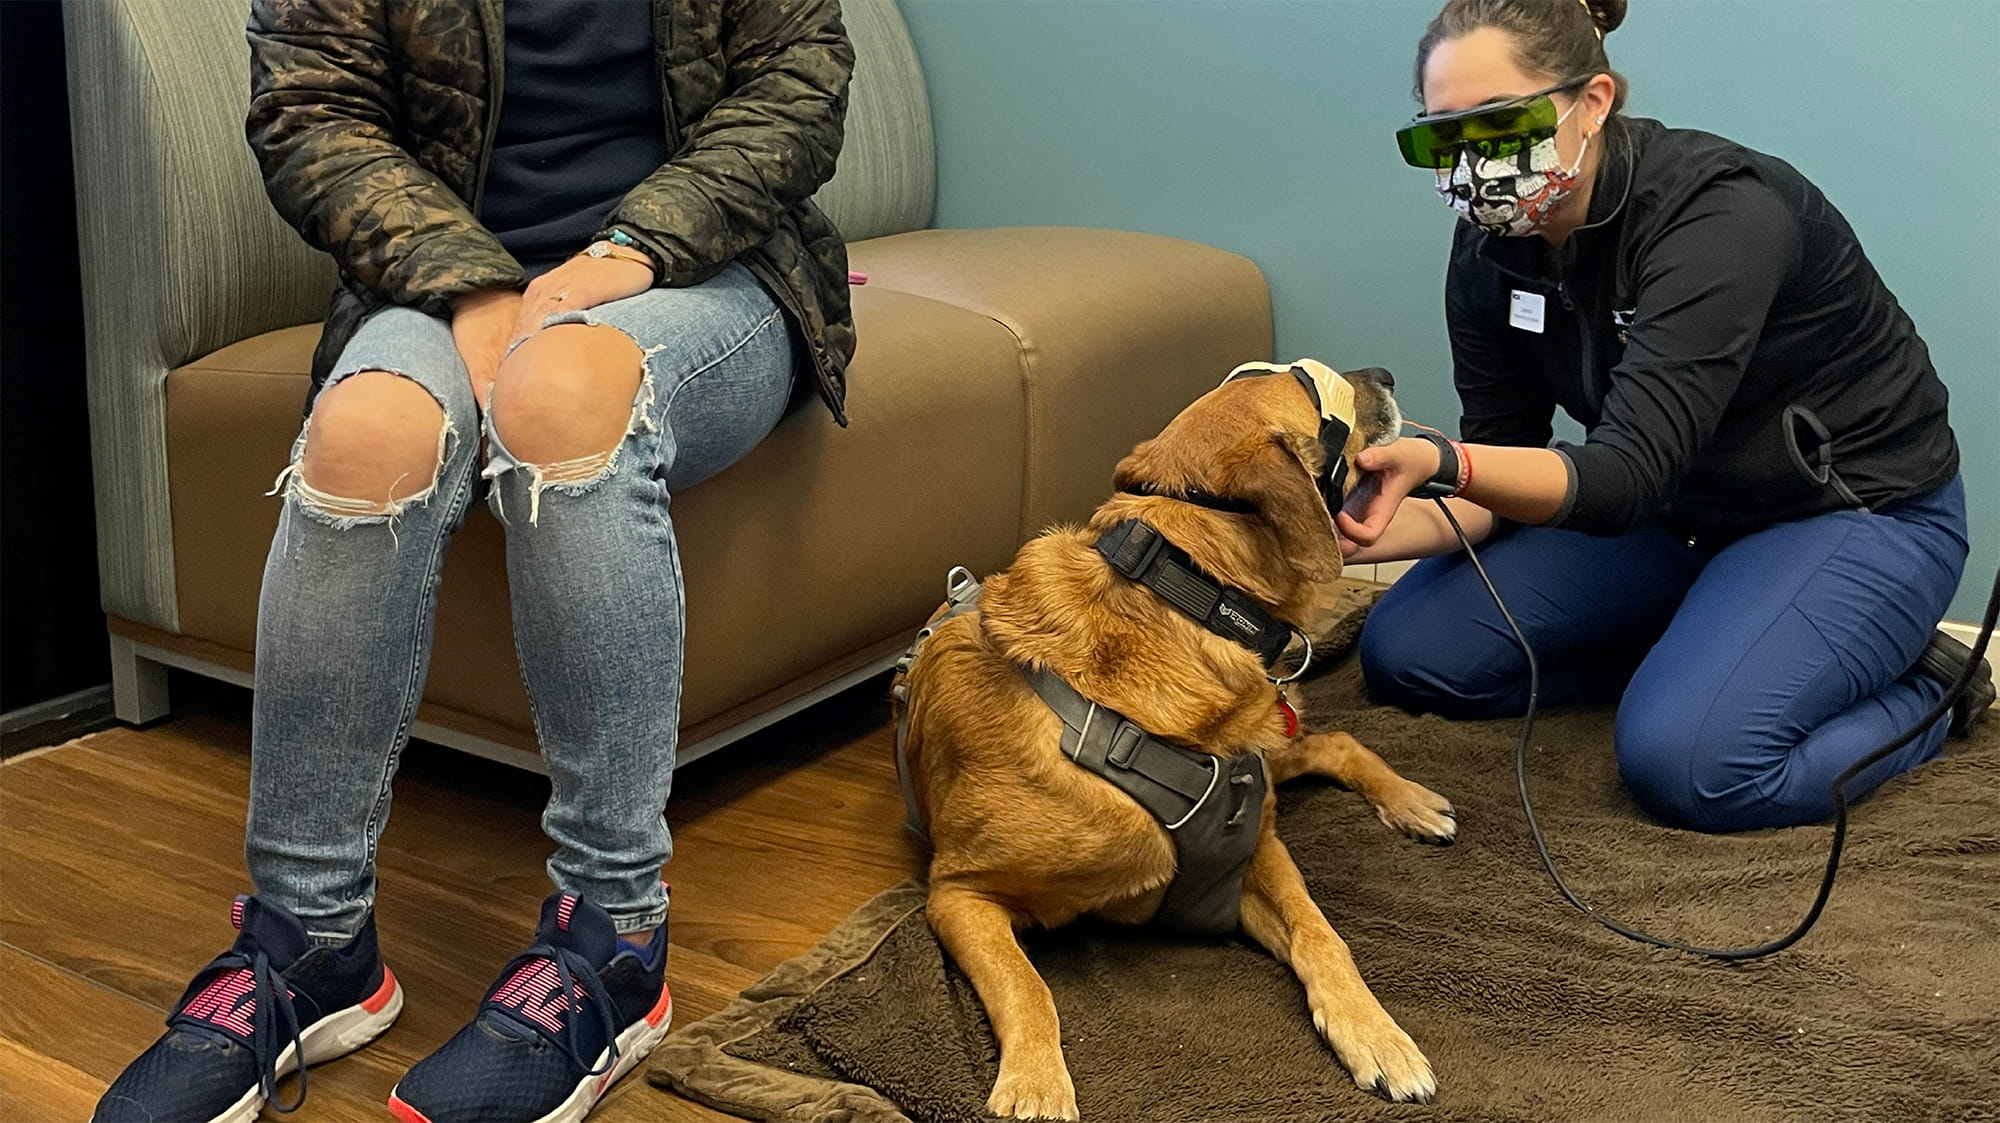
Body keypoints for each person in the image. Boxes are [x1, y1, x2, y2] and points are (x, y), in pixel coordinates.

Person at [92, 3, 853, 1121]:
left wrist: (625, 250)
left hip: (705, 272)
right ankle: (314, 938)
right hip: (445, 276)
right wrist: (475, 284)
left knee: (560, 398)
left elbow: (797, 86)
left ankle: (616, 936)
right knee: (365, 438)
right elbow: (314, 110)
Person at [1345, 0, 1990, 835]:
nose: (1474, 164)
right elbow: (1503, 471)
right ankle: (1711, 642)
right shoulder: (1488, 251)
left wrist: (1439, 460)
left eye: (1502, 123)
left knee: (1695, 766)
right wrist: (1341, 529)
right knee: (1409, 655)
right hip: (1673, 517)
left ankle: (1933, 687)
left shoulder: (1721, 215)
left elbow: (1619, 476)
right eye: (1442, 136)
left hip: (1854, 511)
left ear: (1595, 100)